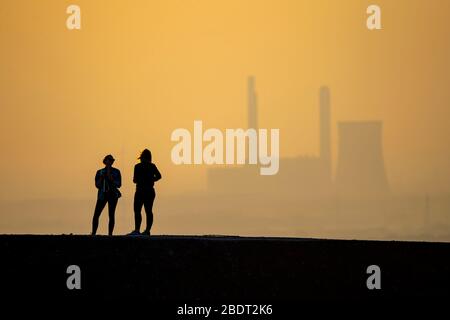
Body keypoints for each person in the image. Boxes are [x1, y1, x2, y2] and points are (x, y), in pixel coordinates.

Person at [129, 149, 162, 236]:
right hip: (150, 190)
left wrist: (141, 180)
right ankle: (147, 230)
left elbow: (134, 180)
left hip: (140, 190)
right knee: (148, 211)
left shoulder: (137, 166)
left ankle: (137, 230)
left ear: (142, 157)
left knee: (137, 210)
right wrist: (151, 180)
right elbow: (159, 176)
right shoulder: (152, 166)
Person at [91, 154, 122, 236]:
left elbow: (119, 184)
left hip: (113, 195)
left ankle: (110, 234)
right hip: (102, 195)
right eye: (108, 160)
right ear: (105, 161)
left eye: (111, 160)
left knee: (111, 214)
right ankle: (93, 233)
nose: (110, 162)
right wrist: (102, 177)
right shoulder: (100, 172)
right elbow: (97, 185)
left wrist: (110, 176)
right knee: (96, 214)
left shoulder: (116, 171)